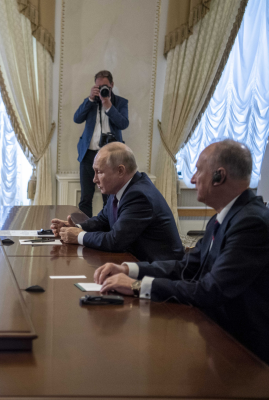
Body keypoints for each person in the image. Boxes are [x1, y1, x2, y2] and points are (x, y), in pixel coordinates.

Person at [93, 140, 269, 364]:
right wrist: (129, 269)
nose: (193, 179)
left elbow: (210, 289)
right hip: (214, 328)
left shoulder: (251, 223)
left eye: (197, 171)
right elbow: (185, 266)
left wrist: (139, 286)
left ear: (219, 176)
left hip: (243, 347)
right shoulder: (221, 217)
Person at [51, 142, 183, 263]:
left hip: (160, 273)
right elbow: (102, 220)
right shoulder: (122, 188)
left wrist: (79, 236)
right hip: (135, 262)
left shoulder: (139, 195)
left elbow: (115, 241)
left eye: (99, 172)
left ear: (120, 171)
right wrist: (76, 227)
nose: (94, 179)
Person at [74, 70, 129, 217]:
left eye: (105, 86)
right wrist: (91, 99)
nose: (102, 89)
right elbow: (77, 118)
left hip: (110, 158)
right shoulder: (91, 102)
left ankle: (109, 233)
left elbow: (123, 123)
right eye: (98, 87)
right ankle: (83, 233)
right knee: (85, 198)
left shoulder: (121, 102)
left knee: (110, 198)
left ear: (112, 85)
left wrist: (108, 105)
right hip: (88, 155)